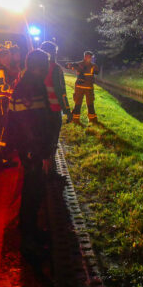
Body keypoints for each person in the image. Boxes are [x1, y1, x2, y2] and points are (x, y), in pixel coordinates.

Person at [10, 49, 52, 258]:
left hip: (30, 147)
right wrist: (37, 151)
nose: (47, 70)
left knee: (34, 189)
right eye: (45, 66)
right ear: (38, 66)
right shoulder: (30, 86)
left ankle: (31, 230)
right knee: (32, 191)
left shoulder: (30, 82)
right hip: (30, 148)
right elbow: (28, 123)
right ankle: (28, 239)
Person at [39, 41, 71, 176]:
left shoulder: (35, 67)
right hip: (53, 110)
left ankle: (42, 164)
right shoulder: (56, 69)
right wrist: (67, 111)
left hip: (39, 110)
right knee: (52, 138)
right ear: (53, 53)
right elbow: (61, 92)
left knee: (41, 136)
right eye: (55, 52)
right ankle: (50, 168)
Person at [0, 49, 14, 165]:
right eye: (8, 57)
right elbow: (2, 86)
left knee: (1, 126)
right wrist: (13, 86)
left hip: (1, 101)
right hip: (1, 101)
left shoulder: (2, 70)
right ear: (2, 58)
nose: (10, 59)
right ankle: (1, 155)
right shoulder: (1, 71)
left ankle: (0, 153)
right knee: (3, 127)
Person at [70, 51, 99, 125]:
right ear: (85, 56)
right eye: (89, 57)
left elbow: (97, 72)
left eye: (91, 57)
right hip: (83, 87)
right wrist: (71, 65)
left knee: (89, 103)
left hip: (86, 87)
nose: (90, 58)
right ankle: (76, 119)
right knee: (79, 103)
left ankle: (91, 119)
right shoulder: (83, 64)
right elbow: (69, 66)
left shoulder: (91, 65)